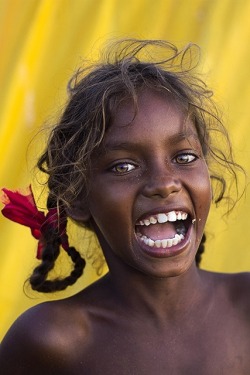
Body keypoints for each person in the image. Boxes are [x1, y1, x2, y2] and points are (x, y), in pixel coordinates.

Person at [0, 39, 249, 375]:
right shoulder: (52, 341)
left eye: (184, 157)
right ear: (76, 198)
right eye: (123, 167)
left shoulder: (245, 306)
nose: (164, 183)